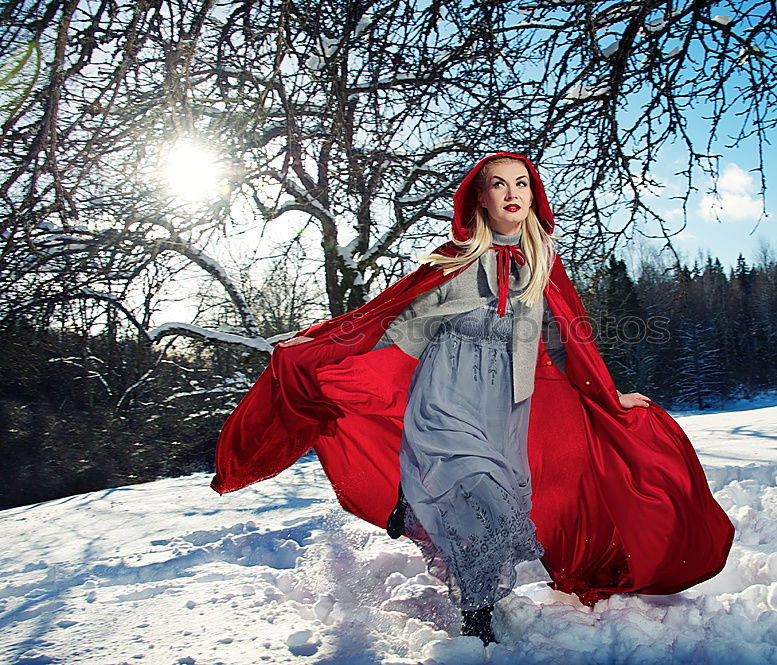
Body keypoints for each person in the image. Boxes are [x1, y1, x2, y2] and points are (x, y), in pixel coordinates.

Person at [211, 151, 734, 647]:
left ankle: (418, 506)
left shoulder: (543, 265)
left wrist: (611, 397)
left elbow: (569, 341)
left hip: (507, 402)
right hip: (445, 391)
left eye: (522, 183)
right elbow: (390, 323)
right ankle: (477, 612)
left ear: (534, 196)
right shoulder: (452, 261)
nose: (512, 193)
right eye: (498, 184)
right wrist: (320, 345)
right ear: (479, 199)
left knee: (499, 501)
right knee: (480, 497)